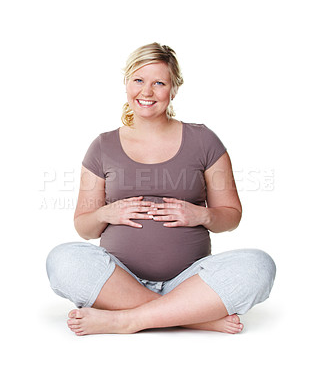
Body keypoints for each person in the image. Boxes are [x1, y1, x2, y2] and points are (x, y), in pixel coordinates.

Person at [46, 42, 276, 336]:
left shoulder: (204, 141)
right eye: (139, 80)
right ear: (126, 83)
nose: (146, 92)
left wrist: (200, 215)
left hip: (190, 281)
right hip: (118, 279)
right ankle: (192, 317)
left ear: (174, 89)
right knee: (62, 259)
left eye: (159, 83)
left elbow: (231, 216)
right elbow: (84, 228)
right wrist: (108, 211)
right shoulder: (102, 146)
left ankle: (125, 320)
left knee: (259, 266)